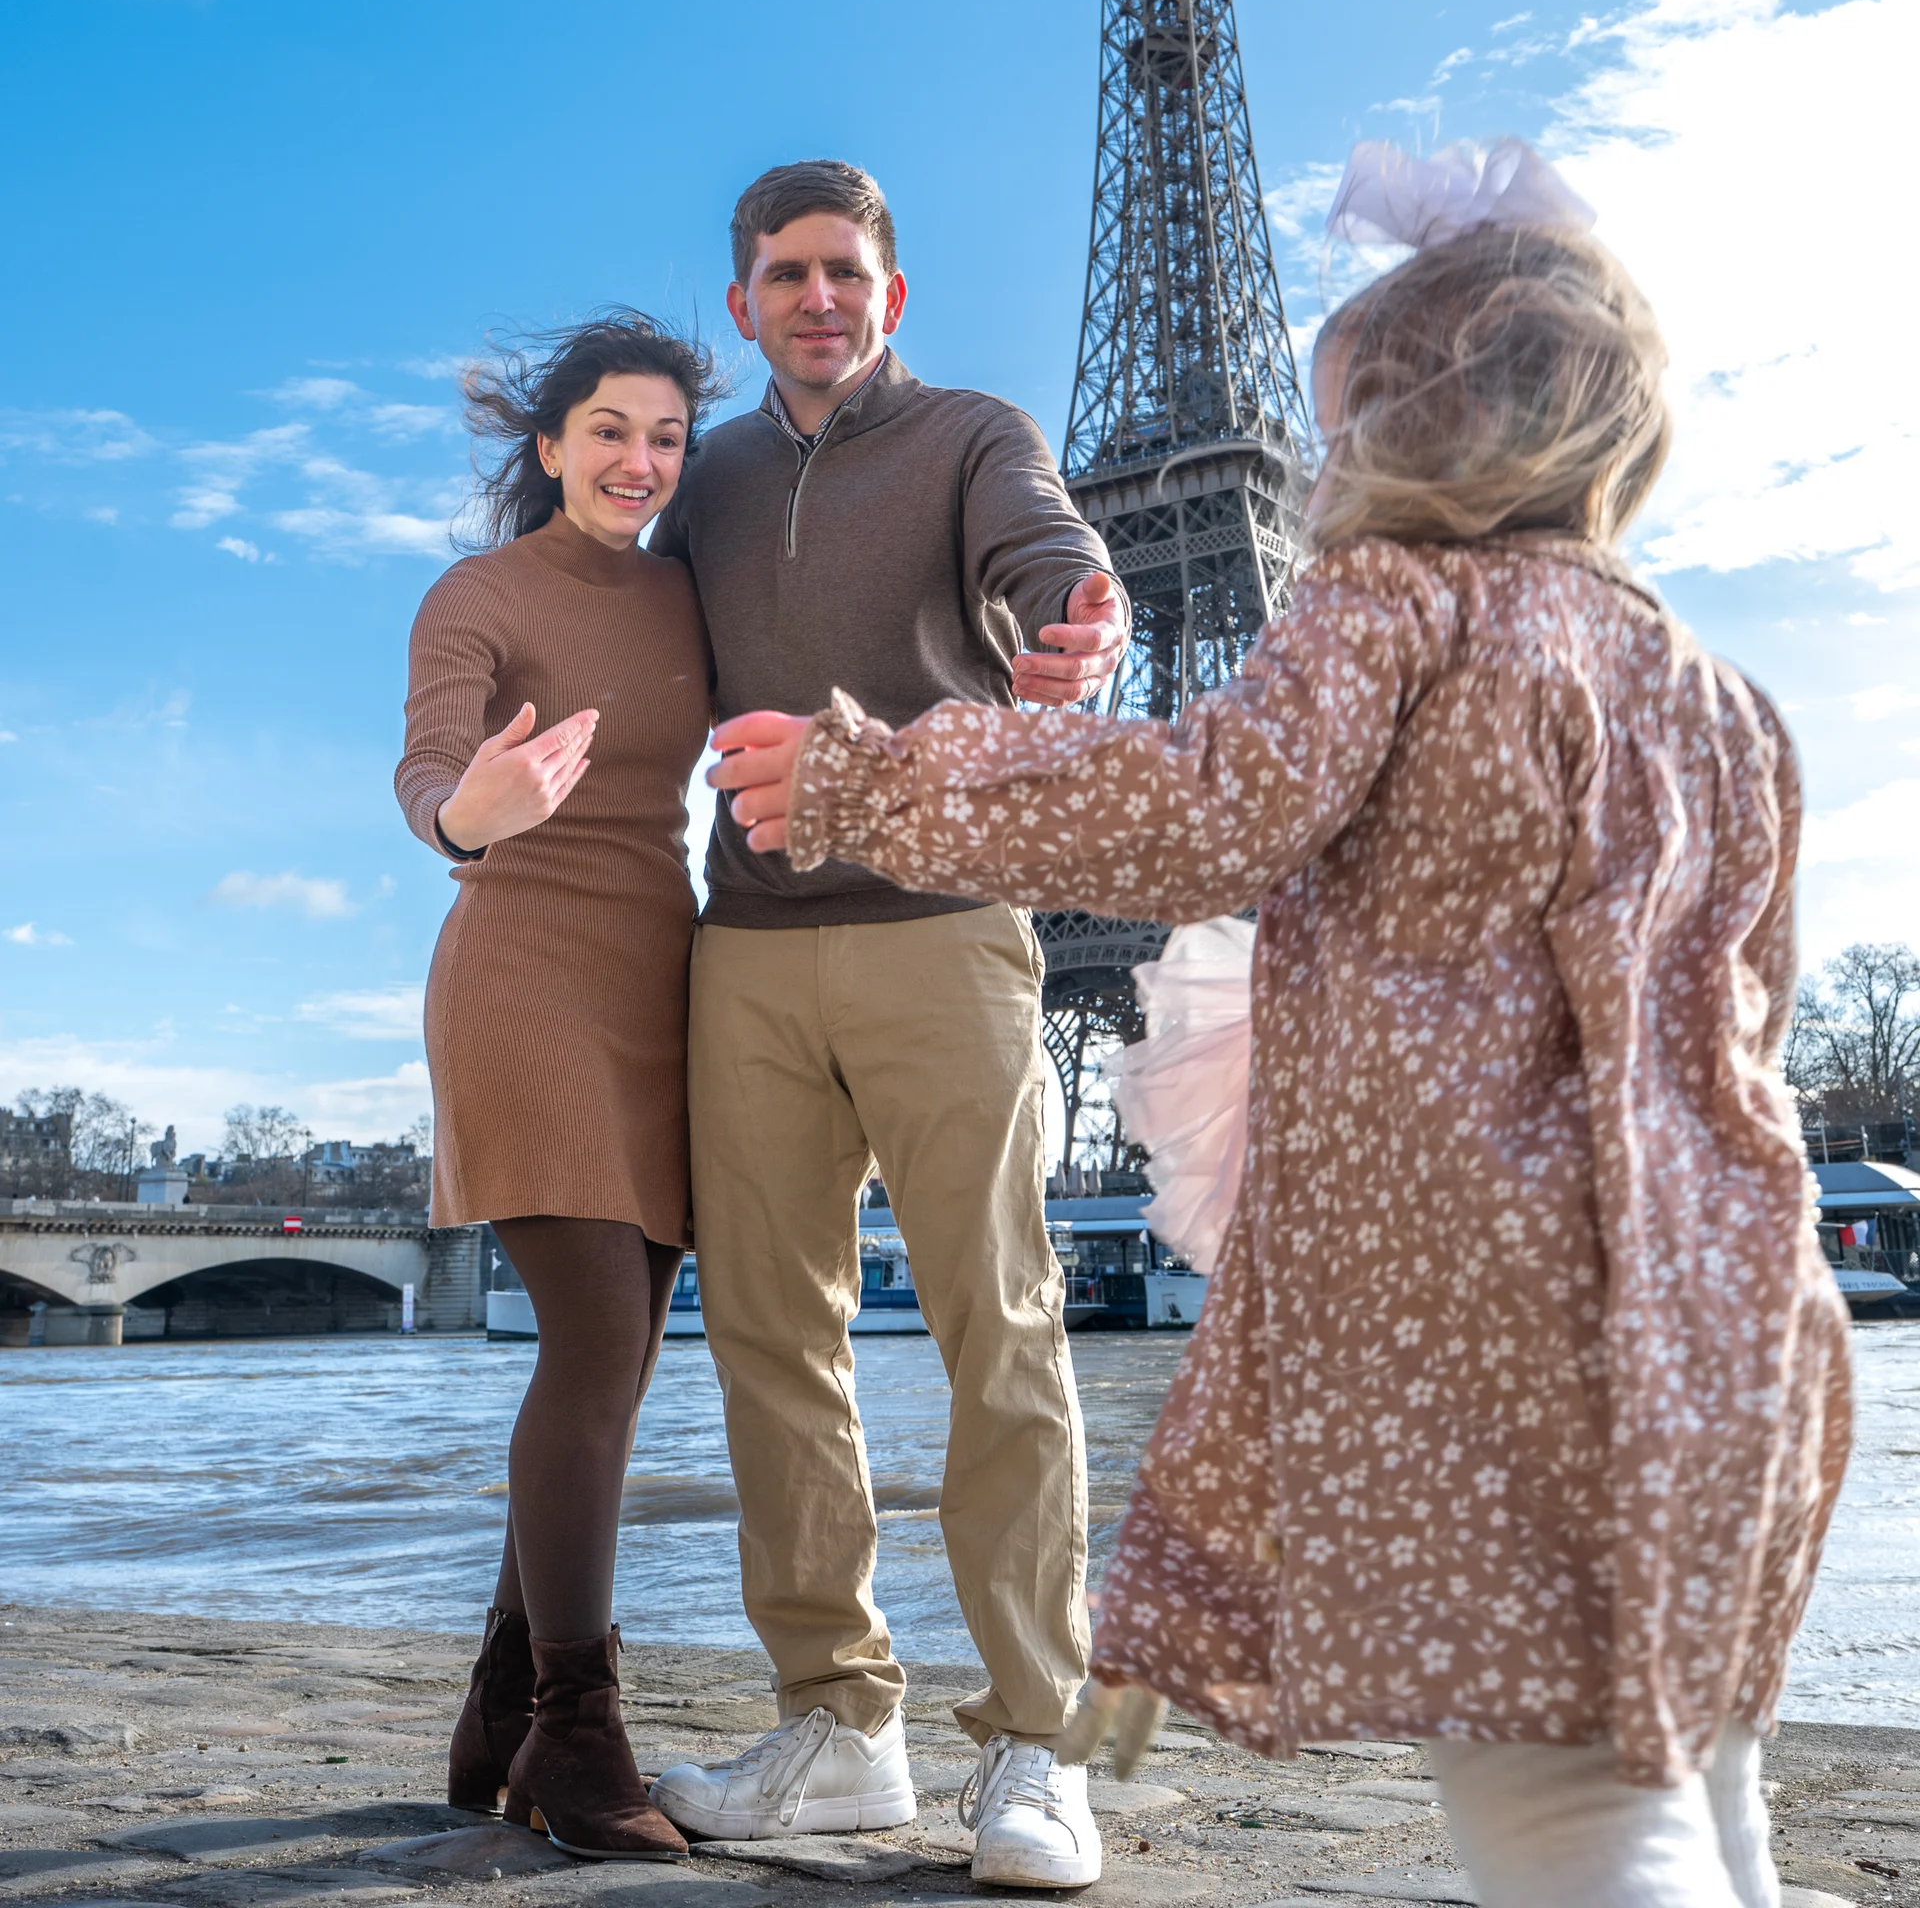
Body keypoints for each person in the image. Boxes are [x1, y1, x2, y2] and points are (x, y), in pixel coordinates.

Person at [708, 147, 1854, 1908]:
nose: (1325, 468)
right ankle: (876, 1717)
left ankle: (1031, 1735)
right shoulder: (1720, 696)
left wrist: (880, 770)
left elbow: (1201, 807)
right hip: (1730, 1321)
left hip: (1503, 1308)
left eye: (1343, 426)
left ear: (1412, 430)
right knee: (1708, 1794)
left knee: (1569, 1823)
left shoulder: (1393, 601)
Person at [644, 161, 1127, 1889]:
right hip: (748, 948)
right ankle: (841, 1729)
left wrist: (1084, 614)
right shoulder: (703, 485)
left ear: (892, 295)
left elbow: (1052, 549)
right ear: (745, 306)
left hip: (941, 936)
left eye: (845, 271)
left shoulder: (974, 435)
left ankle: (1038, 1749)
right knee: (773, 1345)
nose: (818, 297)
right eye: (785, 274)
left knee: (1000, 1330)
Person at [395, 313, 721, 1862]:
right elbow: (424, 775)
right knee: (594, 1342)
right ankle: (579, 1740)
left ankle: (500, 1705)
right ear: (549, 448)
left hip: (667, 984)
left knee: (627, 1356)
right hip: (524, 984)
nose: (638, 461)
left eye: (664, 436)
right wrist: (474, 811)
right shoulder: (478, 593)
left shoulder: (687, 591)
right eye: (608, 430)